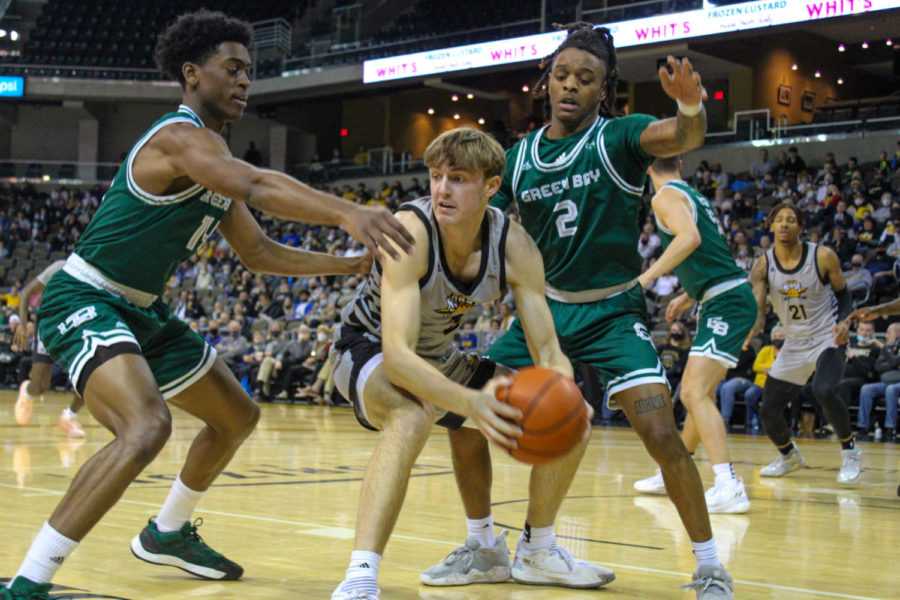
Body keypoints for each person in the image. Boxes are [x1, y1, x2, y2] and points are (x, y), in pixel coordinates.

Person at [0, 10, 414, 600]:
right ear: (192, 73)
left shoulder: (210, 158)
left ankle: (166, 532)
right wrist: (346, 211)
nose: (246, 80)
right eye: (233, 68)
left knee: (237, 417)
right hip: (87, 294)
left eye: (250, 71)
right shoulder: (178, 138)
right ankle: (27, 582)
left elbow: (259, 252)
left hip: (143, 310)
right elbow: (255, 185)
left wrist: (345, 264)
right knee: (146, 429)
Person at [421, 22, 733, 598]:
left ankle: (710, 565)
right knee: (461, 414)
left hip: (613, 315)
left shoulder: (620, 139)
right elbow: (473, 217)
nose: (570, 86)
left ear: (603, 88)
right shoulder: (516, 160)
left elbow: (683, 135)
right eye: (561, 75)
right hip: (545, 315)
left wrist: (691, 103)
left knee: (662, 433)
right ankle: (486, 546)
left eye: (584, 79)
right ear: (546, 81)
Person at [329, 127, 579, 600]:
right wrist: (472, 402)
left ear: (491, 186)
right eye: (436, 176)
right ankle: (360, 575)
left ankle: (528, 550)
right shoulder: (409, 232)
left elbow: (548, 353)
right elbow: (400, 361)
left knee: (574, 414)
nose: (442, 188)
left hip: (440, 357)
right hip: (365, 349)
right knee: (411, 415)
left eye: (459, 178)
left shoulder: (515, 246)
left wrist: (559, 388)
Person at [633, 156, 756, 513]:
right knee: (699, 393)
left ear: (645, 167)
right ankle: (676, 469)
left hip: (727, 302)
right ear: (681, 162)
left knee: (693, 392)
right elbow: (711, 252)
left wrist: (646, 278)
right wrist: (689, 294)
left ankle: (728, 483)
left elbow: (689, 238)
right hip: (721, 295)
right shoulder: (691, 194)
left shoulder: (664, 197)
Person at [745, 201, 861, 485]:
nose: (784, 224)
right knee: (768, 410)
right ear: (771, 226)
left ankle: (850, 450)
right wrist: (749, 330)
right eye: (779, 219)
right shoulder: (763, 264)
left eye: (791, 220)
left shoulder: (822, 256)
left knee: (823, 390)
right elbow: (758, 308)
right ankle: (789, 455)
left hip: (827, 336)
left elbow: (845, 297)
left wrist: (845, 323)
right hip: (794, 342)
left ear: (800, 227)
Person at [13, 260, 86, 438]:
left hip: (76, 326)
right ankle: (28, 391)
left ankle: (69, 417)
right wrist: (23, 324)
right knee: (40, 386)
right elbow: (27, 292)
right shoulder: (62, 266)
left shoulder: (98, 274)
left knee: (90, 375)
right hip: (50, 325)